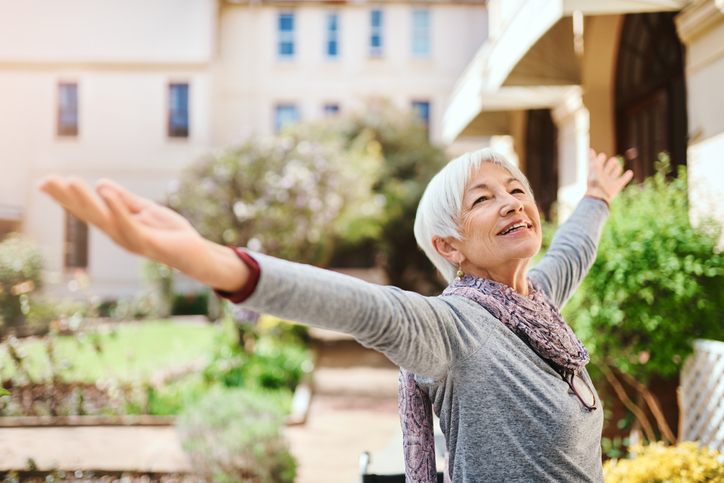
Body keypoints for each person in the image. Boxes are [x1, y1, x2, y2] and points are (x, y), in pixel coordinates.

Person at [39, 147, 632, 482]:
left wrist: (598, 195)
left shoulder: (538, 306)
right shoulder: (455, 331)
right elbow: (361, 308)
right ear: (449, 247)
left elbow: (573, 249)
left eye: (517, 189)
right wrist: (216, 262)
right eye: (484, 198)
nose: (511, 202)